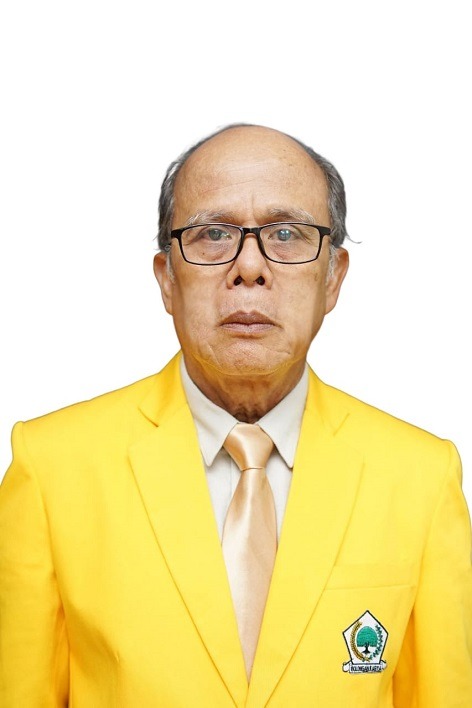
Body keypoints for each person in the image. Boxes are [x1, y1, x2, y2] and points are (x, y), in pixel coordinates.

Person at [1, 124, 471, 707]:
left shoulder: (421, 478)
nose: (250, 267)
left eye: (287, 233)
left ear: (333, 278)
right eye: (214, 234)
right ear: (166, 278)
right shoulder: (51, 468)